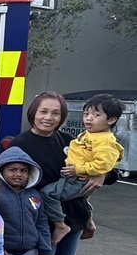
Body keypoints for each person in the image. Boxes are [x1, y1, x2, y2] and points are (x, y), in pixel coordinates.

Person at [10, 92, 106, 255]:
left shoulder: (71, 140)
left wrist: (102, 177)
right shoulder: (20, 145)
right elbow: (13, 185)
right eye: (44, 111)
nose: (48, 117)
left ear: (62, 117)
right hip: (41, 220)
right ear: (33, 112)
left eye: (55, 113)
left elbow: (99, 169)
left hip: (73, 216)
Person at [38, 93, 124, 241]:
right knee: (82, 199)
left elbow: (104, 164)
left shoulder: (105, 141)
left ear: (111, 120)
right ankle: (88, 221)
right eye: (86, 114)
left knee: (48, 194)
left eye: (96, 115)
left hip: (77, 179)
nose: (89, 118)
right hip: (75, 177)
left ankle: (60, 224)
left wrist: (80, 170)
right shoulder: (91, 135)